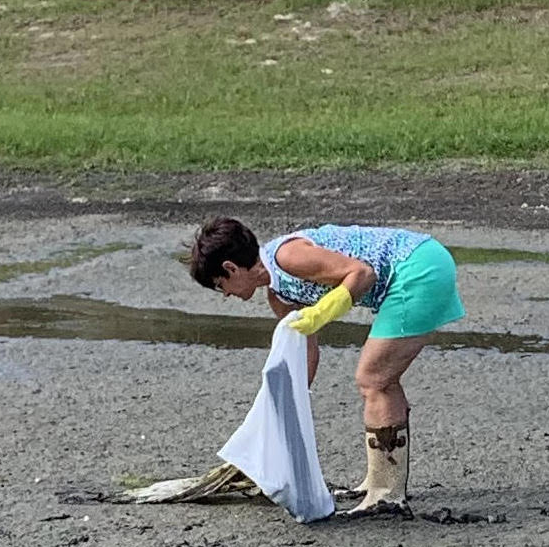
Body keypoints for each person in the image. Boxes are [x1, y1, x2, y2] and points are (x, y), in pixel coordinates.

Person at [184, 217, 465, 517]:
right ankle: (380, 483)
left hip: (419, 267)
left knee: (373, 380)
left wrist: (321, 312)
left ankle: (386, 495)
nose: (225, 294)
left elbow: (362, 273)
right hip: (417, 266)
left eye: (220, 285)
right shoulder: (279, 295)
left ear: (230, 268)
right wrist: (278, 416)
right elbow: (306, 356)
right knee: (380, 379)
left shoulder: (286, 256)